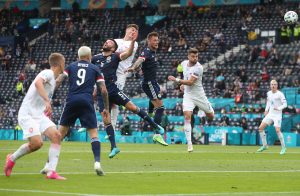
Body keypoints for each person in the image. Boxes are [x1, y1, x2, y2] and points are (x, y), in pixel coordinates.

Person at [42, 46, 110, 176]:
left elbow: (59, 80)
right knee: (94, 134)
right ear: (89, 56)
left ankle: (47, 165)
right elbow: (104, 90)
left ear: (79, 56)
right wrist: (106, 108)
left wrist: (48, 97)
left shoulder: (71, 66)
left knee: (59, 135)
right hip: (86, 102)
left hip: (71, 101)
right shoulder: (95, 68)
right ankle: (97, 163)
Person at [92, 38, 168, 147]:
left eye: (110, 42)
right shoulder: (95, 58)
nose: (106, 42)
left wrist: (132, 43)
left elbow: (128, 53)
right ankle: (114, 147)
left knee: (133, 107)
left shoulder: (115, 56)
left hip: (113, 90)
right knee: (106, 120)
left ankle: (155, 125)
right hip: (101, 94)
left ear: (113, 48)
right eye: (106, 41)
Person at [4, 53, 66, 180]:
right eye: (64, 63)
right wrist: (47, 101)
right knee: (37, 143)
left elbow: (43, 92)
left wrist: (47, 106)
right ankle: (12, 158)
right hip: (28, 114)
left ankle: (51, 172)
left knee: (57, 135)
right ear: (60, 64)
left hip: (39, 114)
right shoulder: (48, 72)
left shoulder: (53, 79)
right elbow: (38, 83)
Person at [168, 48, 214, 152]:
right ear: (188, 56)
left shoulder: (199, 68)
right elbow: (185, 76)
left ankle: (206, 111)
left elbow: (190, 82)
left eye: (197, 56)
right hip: (188, 95)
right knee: (187, 116)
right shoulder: (184, 63)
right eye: (193, 56)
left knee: (211, 116)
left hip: (199, 96)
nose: (195, 58)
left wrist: (177, 80)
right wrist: (182, 86)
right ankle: (189, 144)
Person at [127, 32, 165, 134]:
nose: (157, 42)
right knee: (160, 108)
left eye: (157, 40)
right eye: (154, 40)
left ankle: (150, 113)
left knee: (157, 101)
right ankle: (157, 134)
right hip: (149, 83)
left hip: (153, 82)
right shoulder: (146, 51)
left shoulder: (153, 52)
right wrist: (133, 68)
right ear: (149, 41)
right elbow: (140, 60)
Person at [110, 24, 139, 130]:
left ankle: (112, 126)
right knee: (97, 96)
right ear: (126, 30)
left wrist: (112, 52)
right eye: (132, 30)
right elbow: (106, 50)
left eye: (135, 31)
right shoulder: (116, 41)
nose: (133, 32)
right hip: (109, 72)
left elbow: (126, 53)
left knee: (114, 100)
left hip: (120, 74)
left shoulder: (134, 43)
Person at [257, 80, 287, 155]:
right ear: (270, 86)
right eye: (272, 84)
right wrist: (266, 110)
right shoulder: (269, 93)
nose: (273, 86)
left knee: (277, 130)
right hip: (270, 114)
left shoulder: (280, 94)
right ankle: (265, 146)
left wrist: (279, 108)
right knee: (260, 128)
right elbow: (268, 102)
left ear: (277, 85)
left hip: (277, 115)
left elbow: (285, 104)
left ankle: (283, 147)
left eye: (274, 84)